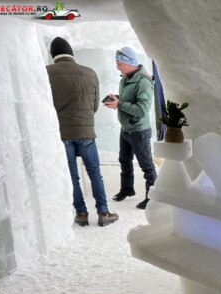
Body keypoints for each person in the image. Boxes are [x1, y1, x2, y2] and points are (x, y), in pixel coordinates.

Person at [46, 37, 119, 227]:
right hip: (86, 132)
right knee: (95, 173)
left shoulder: (47, 72)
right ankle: (103, 212)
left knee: (72, 176)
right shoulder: (90, 73)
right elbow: (94, 107)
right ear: (71, 53)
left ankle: (81, 214)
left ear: (53, 54)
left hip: (62, 134)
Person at [104, 46, 156, 210]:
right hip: (126, 129)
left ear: (129, 63)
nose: (117, 67)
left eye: (119, 64)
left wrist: (119, 104)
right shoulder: (125, 79)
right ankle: (127, 189)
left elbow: (142, 110)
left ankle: (152, 198)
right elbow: (130, 100)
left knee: (146, 165)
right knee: (124, 161)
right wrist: (116, 99)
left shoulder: (144, 82)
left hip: (139, 131)